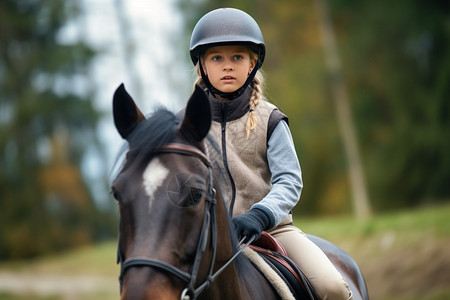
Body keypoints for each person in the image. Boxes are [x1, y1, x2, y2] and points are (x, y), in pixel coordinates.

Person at [189, 8, 353, 300]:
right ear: (202, 65)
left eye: (237, 57)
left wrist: (260, 215)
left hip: (272, 230)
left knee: (333, 288)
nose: (227, 66)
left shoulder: (270, 120)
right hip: (209, 240)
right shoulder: (187, 126)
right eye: (217, 58)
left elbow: (290, 181)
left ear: (252, 63)